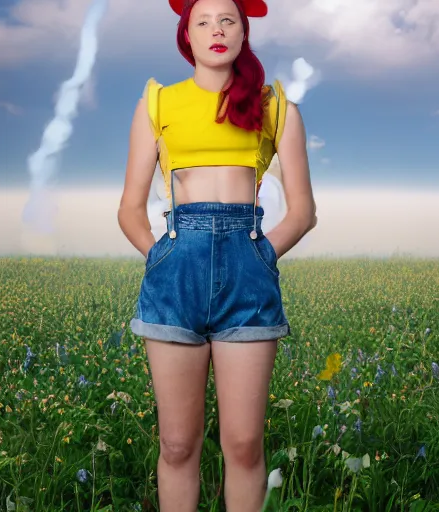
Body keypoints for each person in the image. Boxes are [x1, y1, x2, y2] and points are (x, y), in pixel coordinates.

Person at [117, 0, 317, 509]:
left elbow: (303, 212)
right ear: (187, 36)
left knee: (244, 444)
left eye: (227, 20)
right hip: (174, 276)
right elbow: (129, 210)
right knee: (178, 444)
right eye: (202, 22)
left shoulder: (277, 108)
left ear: (244, 30)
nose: (216, 30)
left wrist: (261, 257)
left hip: (247, 277)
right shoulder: (158, 104)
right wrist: (161, 256)